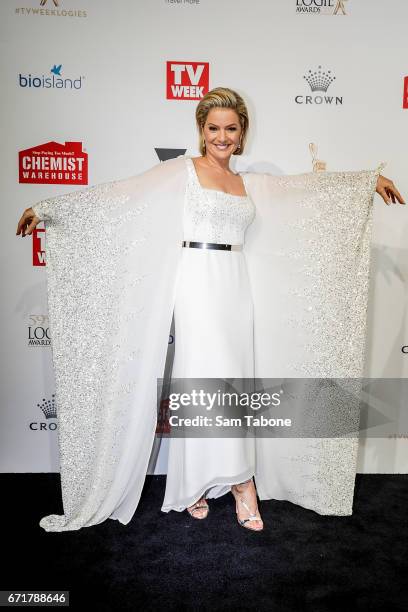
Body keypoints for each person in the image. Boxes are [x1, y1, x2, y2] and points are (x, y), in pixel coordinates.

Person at [16, 87, 405, 533]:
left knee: (234, 381)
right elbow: (118, 197)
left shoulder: (248, 183)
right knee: (200, 379)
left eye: (231, 129)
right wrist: (49, 209)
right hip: (197, 285)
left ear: (242, 134)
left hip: (235, 284)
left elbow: (304, 191)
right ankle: (207, 483)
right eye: (214, 128)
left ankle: (236, 480)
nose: (222, 136)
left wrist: (364, 182)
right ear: (202, 131)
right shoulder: (182, 172)